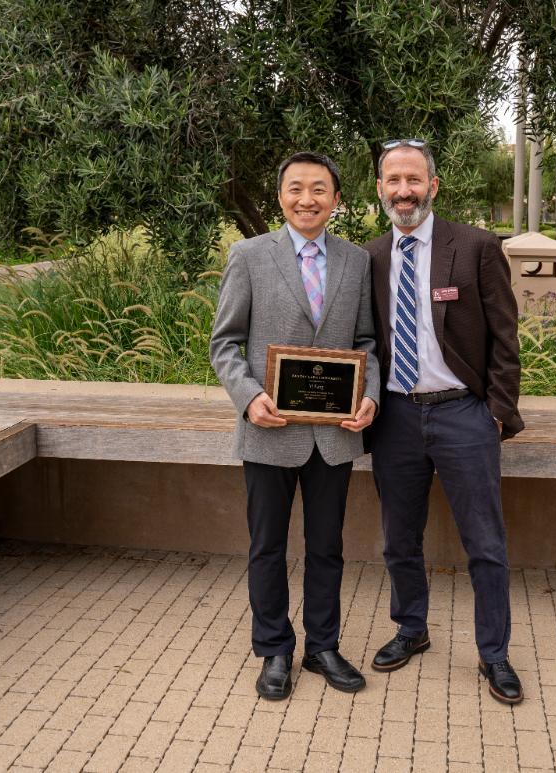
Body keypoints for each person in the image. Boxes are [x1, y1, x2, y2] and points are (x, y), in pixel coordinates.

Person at [210, 151, 380, 700]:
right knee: (267, 547)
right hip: (268, 429)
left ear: (336, 198)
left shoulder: (356, 261)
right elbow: (225, 343)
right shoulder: (250, 256)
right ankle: (275, 649)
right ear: (280, 195)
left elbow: (366, 344)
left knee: (327, 547)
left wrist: (370, 396)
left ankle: (323, 647)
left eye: (319, 189)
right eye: (296, 188)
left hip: (333, 435)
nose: (307, 199)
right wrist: (249, 396)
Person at [364, 139, 525, 704]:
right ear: (380, 188)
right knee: (399, 539)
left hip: (464, 415)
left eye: (413, 180)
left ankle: (494, 654)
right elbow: (368, 342)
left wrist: (497, 414)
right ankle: (412, 629)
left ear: (433, 185)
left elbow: (506, 338)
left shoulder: (476, 247)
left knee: (485, 543)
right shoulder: (373, 255)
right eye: (392, 181)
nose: (403, 191)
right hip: (397, 419)